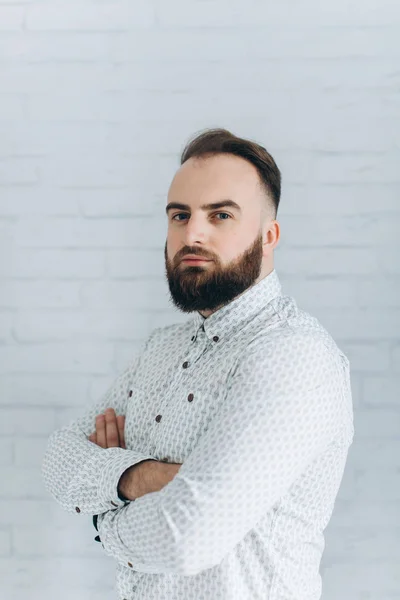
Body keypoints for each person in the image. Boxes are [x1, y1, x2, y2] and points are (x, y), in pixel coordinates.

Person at [42, 128, 354, 600]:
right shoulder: (160, 349)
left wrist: (103, 518)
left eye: (221, 215)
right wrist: (138, 476)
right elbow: (58, 458)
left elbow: (187, 538)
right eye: (179, 215)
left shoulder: (293, 356)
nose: (192, 234)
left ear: (268, 236)